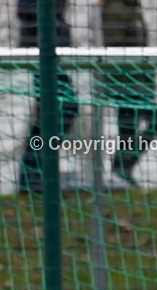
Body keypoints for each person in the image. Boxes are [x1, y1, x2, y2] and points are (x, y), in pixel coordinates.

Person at [100, 0, 157, 184]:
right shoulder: (116, 8)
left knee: (130, 127)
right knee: (150, 122)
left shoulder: (132, 7)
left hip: (137, 80)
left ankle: (122, 169)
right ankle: (121, 168)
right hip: (126, 81)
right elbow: (116, 47)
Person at [17, 0, 80, 194]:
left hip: (51, 49)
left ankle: (35, 175)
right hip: (42, 50)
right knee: (61, 109)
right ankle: (33, 176)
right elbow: (27, 12)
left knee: (55, 111)